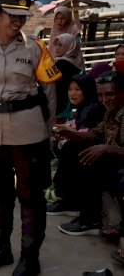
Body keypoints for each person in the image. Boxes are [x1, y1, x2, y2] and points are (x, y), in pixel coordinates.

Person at [0, 0, 58, 276]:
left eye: (22, 17)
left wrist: (46, 131)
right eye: (13, 16)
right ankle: (0, 250)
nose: (18, 22)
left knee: (31, 197)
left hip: (28, 134)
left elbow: (50, 92)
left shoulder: (35, 49)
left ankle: (30, 258)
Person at [51, 72, 124, 237]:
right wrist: (69, 133)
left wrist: (106, 149)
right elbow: (94, 134)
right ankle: (70, 201)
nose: (105, 100)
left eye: (110, 94)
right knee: (75, 148)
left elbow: (106, 145)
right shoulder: (109, 113)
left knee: (92, 161)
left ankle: (90, 219)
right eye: (101, 95)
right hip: (115, 160)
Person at [46, 73, 106, 215]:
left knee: (69, 148)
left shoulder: (93, 108)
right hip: (88, 145)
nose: (72, 93)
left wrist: (69, 133)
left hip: (95, 150)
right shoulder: (83, 107)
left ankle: (71, 200)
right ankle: (65, 197)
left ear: (87, 90)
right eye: (70, 89)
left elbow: (89, 134)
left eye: (77, 89)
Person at [50, 33, 86, 122]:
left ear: (69, 46)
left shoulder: (62, 64)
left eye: (60, 45)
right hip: (68, 105)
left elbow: (53, 83)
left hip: (57, 105)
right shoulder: (77, 62)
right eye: (56, 44)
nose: (57, 48)